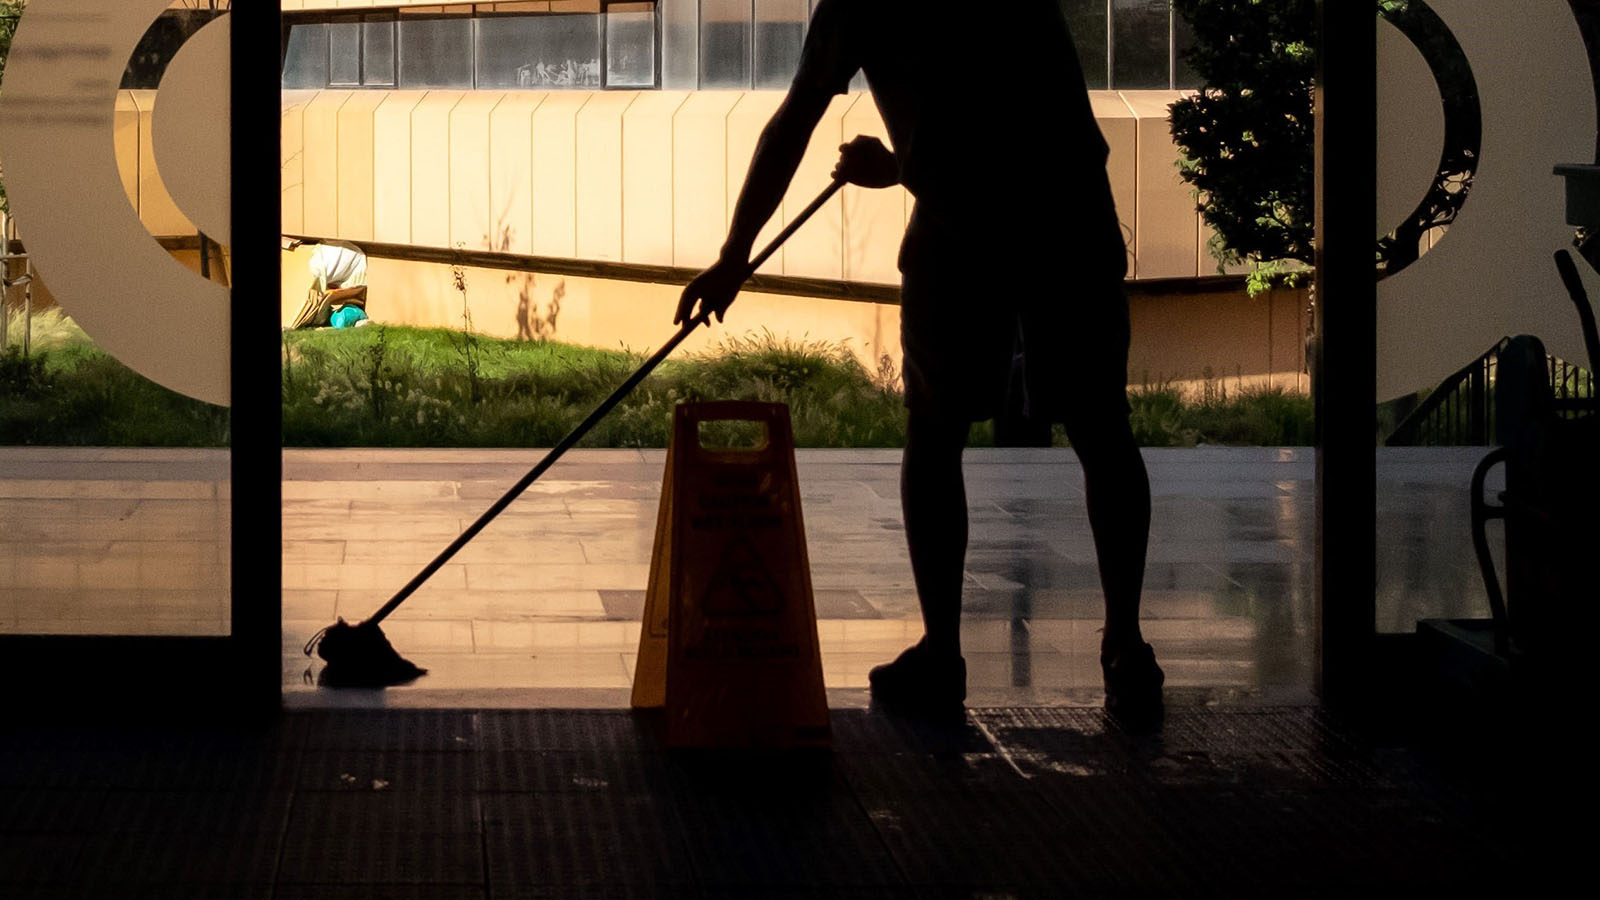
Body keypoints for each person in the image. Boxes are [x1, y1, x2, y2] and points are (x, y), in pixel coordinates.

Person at [675, 0, 1163, 718]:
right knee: (1100, 427)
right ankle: (1124, 641)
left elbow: (797, 122)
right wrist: (904, 167)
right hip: (1067, 220)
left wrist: (734, 257)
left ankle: (943, 652)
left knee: (937, 433)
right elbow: (1026, 121)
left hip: (966, 231)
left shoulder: (857, 0)